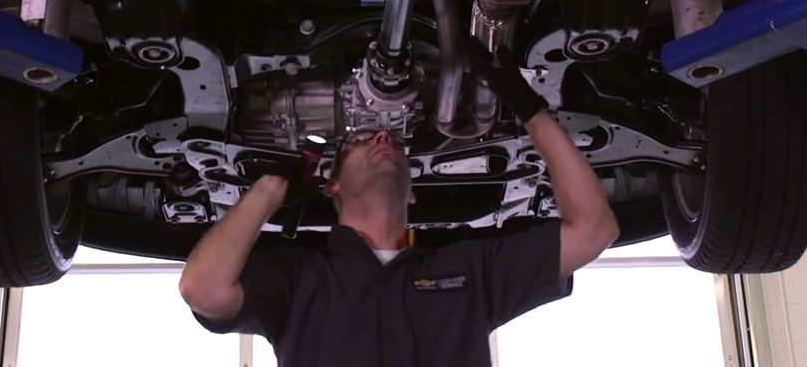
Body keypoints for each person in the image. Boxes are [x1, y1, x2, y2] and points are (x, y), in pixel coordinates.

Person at [178, 39, 620, 366]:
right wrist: (269, 189)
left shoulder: (470, 271)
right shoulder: (297, 281)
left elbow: (593, 230)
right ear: (330, 185)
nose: (384, 136)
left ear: (411, 190)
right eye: (364, 140)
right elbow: (203, 288)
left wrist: (529, 107)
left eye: (388, 138)